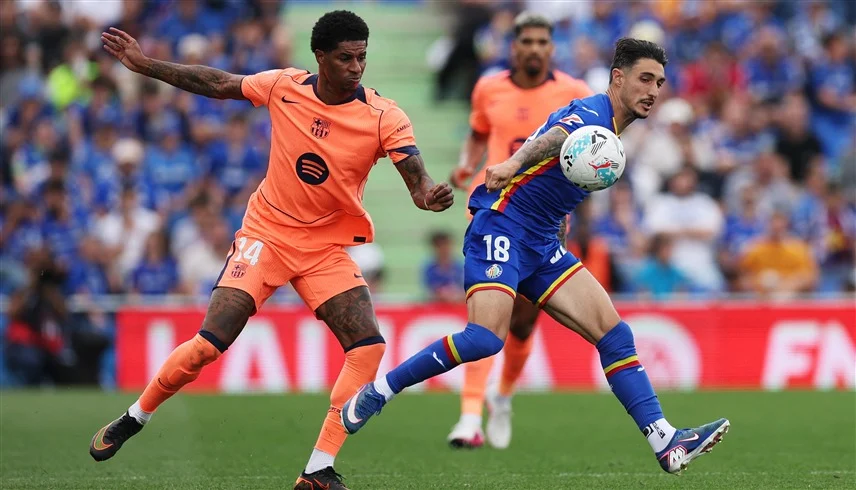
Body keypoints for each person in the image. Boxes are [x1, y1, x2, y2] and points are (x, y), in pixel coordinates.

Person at [90, 11, 454, 490]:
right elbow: (219, 83)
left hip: (324, 247)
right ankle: (135, 416)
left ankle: (318, 469)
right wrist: (146, 65)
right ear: (320, 57)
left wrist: (428, 196)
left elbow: (417, 180)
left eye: (362, 57)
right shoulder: (284, 86)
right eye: (345, 58)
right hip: (266, 235)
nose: (356, 68)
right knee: (209, 345)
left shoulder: (385, 117)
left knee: (368, 348)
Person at [342, 38, 729, 476]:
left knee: (615, 335)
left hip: (542, 241)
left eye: (659, 82)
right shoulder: (593, 114)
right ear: (618, 78)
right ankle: (379, 391)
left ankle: (665, 441)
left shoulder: (613, 126)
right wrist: (511, 164)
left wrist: (558, 217)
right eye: (645, 79)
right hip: (503, 225)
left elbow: (559, 170)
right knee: (485, 339)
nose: (654, 90)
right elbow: (554, 139)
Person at [447, 11, 592, 450]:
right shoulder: (488, 87)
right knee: (487, 311)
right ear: (514, 47)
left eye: (541, 42)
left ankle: (503, 395)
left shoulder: (575, 93)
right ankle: (469, 416)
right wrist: (467, 164)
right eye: (526, 41)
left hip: (545, 217)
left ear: (552, 48)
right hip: (492, 210)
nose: (534, 49)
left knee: (524, 323)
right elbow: (478, 132)